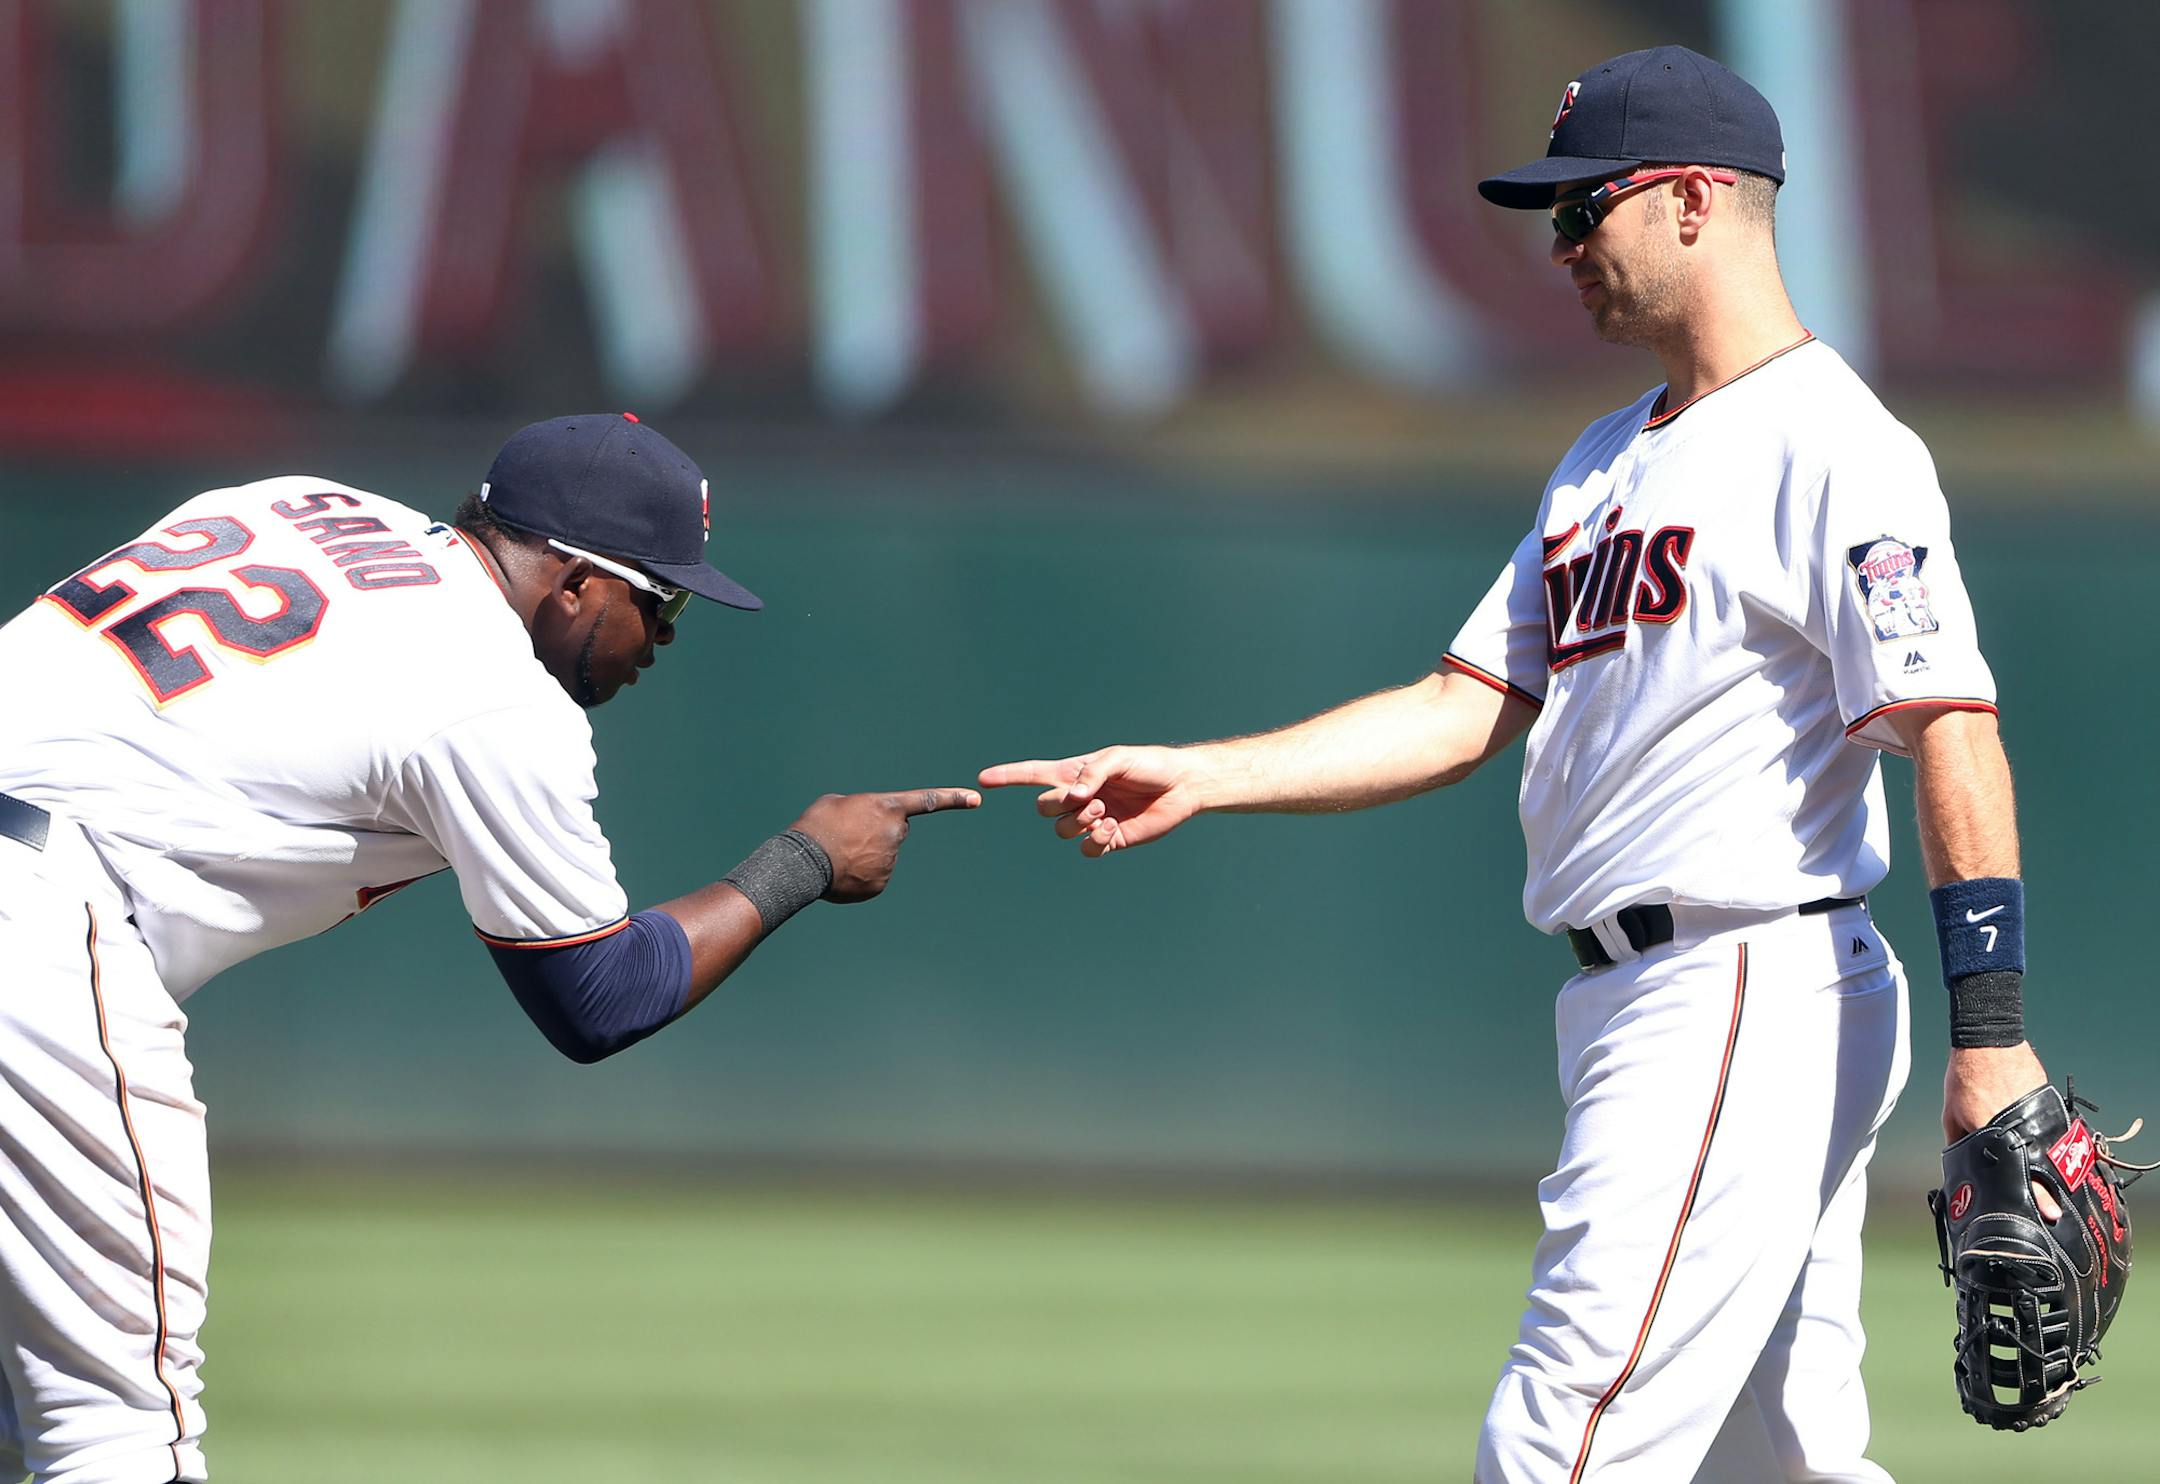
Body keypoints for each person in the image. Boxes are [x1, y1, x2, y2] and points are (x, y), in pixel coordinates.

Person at [981, 45, 2049, 1483]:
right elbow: (1459, 701)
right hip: (1650, 999)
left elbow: (1951, 722)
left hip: (1741, 983)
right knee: (1780, 1462)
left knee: (1562, 1447)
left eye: (1580, 208)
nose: (1559, 247)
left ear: (1690, 200)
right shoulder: (1604, 461)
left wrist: (1992, 1033)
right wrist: (1205, 772)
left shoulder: (1833, 444)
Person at [0, 412, 977, 1483]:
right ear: (573, 584)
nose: (667, 635)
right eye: (661, 599)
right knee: (115, 1427)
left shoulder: (292, 503)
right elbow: (598, 994)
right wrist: (804, 860)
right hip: (38, 922)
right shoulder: (493, 693)